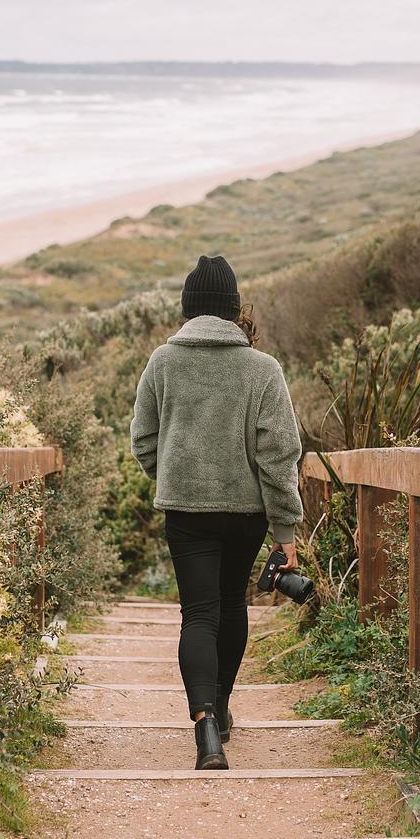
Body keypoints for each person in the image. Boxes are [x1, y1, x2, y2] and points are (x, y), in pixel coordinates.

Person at [130, 254, 304, 770]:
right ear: (233, 308)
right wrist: (285, 530)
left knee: (198, 613)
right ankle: (223, 708)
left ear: (188, 308)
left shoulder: (163, 361)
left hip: (186, 512)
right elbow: (279, 455)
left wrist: (172, 475)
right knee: (231, 605)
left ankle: (206, 725)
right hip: (246, 514)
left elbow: (143, 439)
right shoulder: (263, 369)